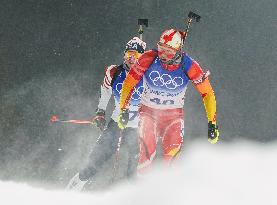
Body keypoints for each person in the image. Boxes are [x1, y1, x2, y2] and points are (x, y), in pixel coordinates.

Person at [117, 29, 219, 174]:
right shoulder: (149, 58)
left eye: (168, 52)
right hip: (148, 114)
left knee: (172, 160)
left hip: (173, 118)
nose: (163, 55)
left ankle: (167, 192)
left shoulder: (188, 65)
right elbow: (129, 83)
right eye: (161, 49)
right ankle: (143, 191)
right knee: (146, 153)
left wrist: (212, 123)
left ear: (178, 51)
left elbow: (207, 93)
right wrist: (123, 109)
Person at [66, 37, 146, 190]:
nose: (131, 58)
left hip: (138, 128)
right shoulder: (114, 72)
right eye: (129, 53)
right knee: (95, 160)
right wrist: (100, 113)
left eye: (136, 55)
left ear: (141, 58)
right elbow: (105, 92)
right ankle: (75, 188)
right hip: (116, 123)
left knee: (134, 171)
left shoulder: (148, 75)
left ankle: (135, 197)